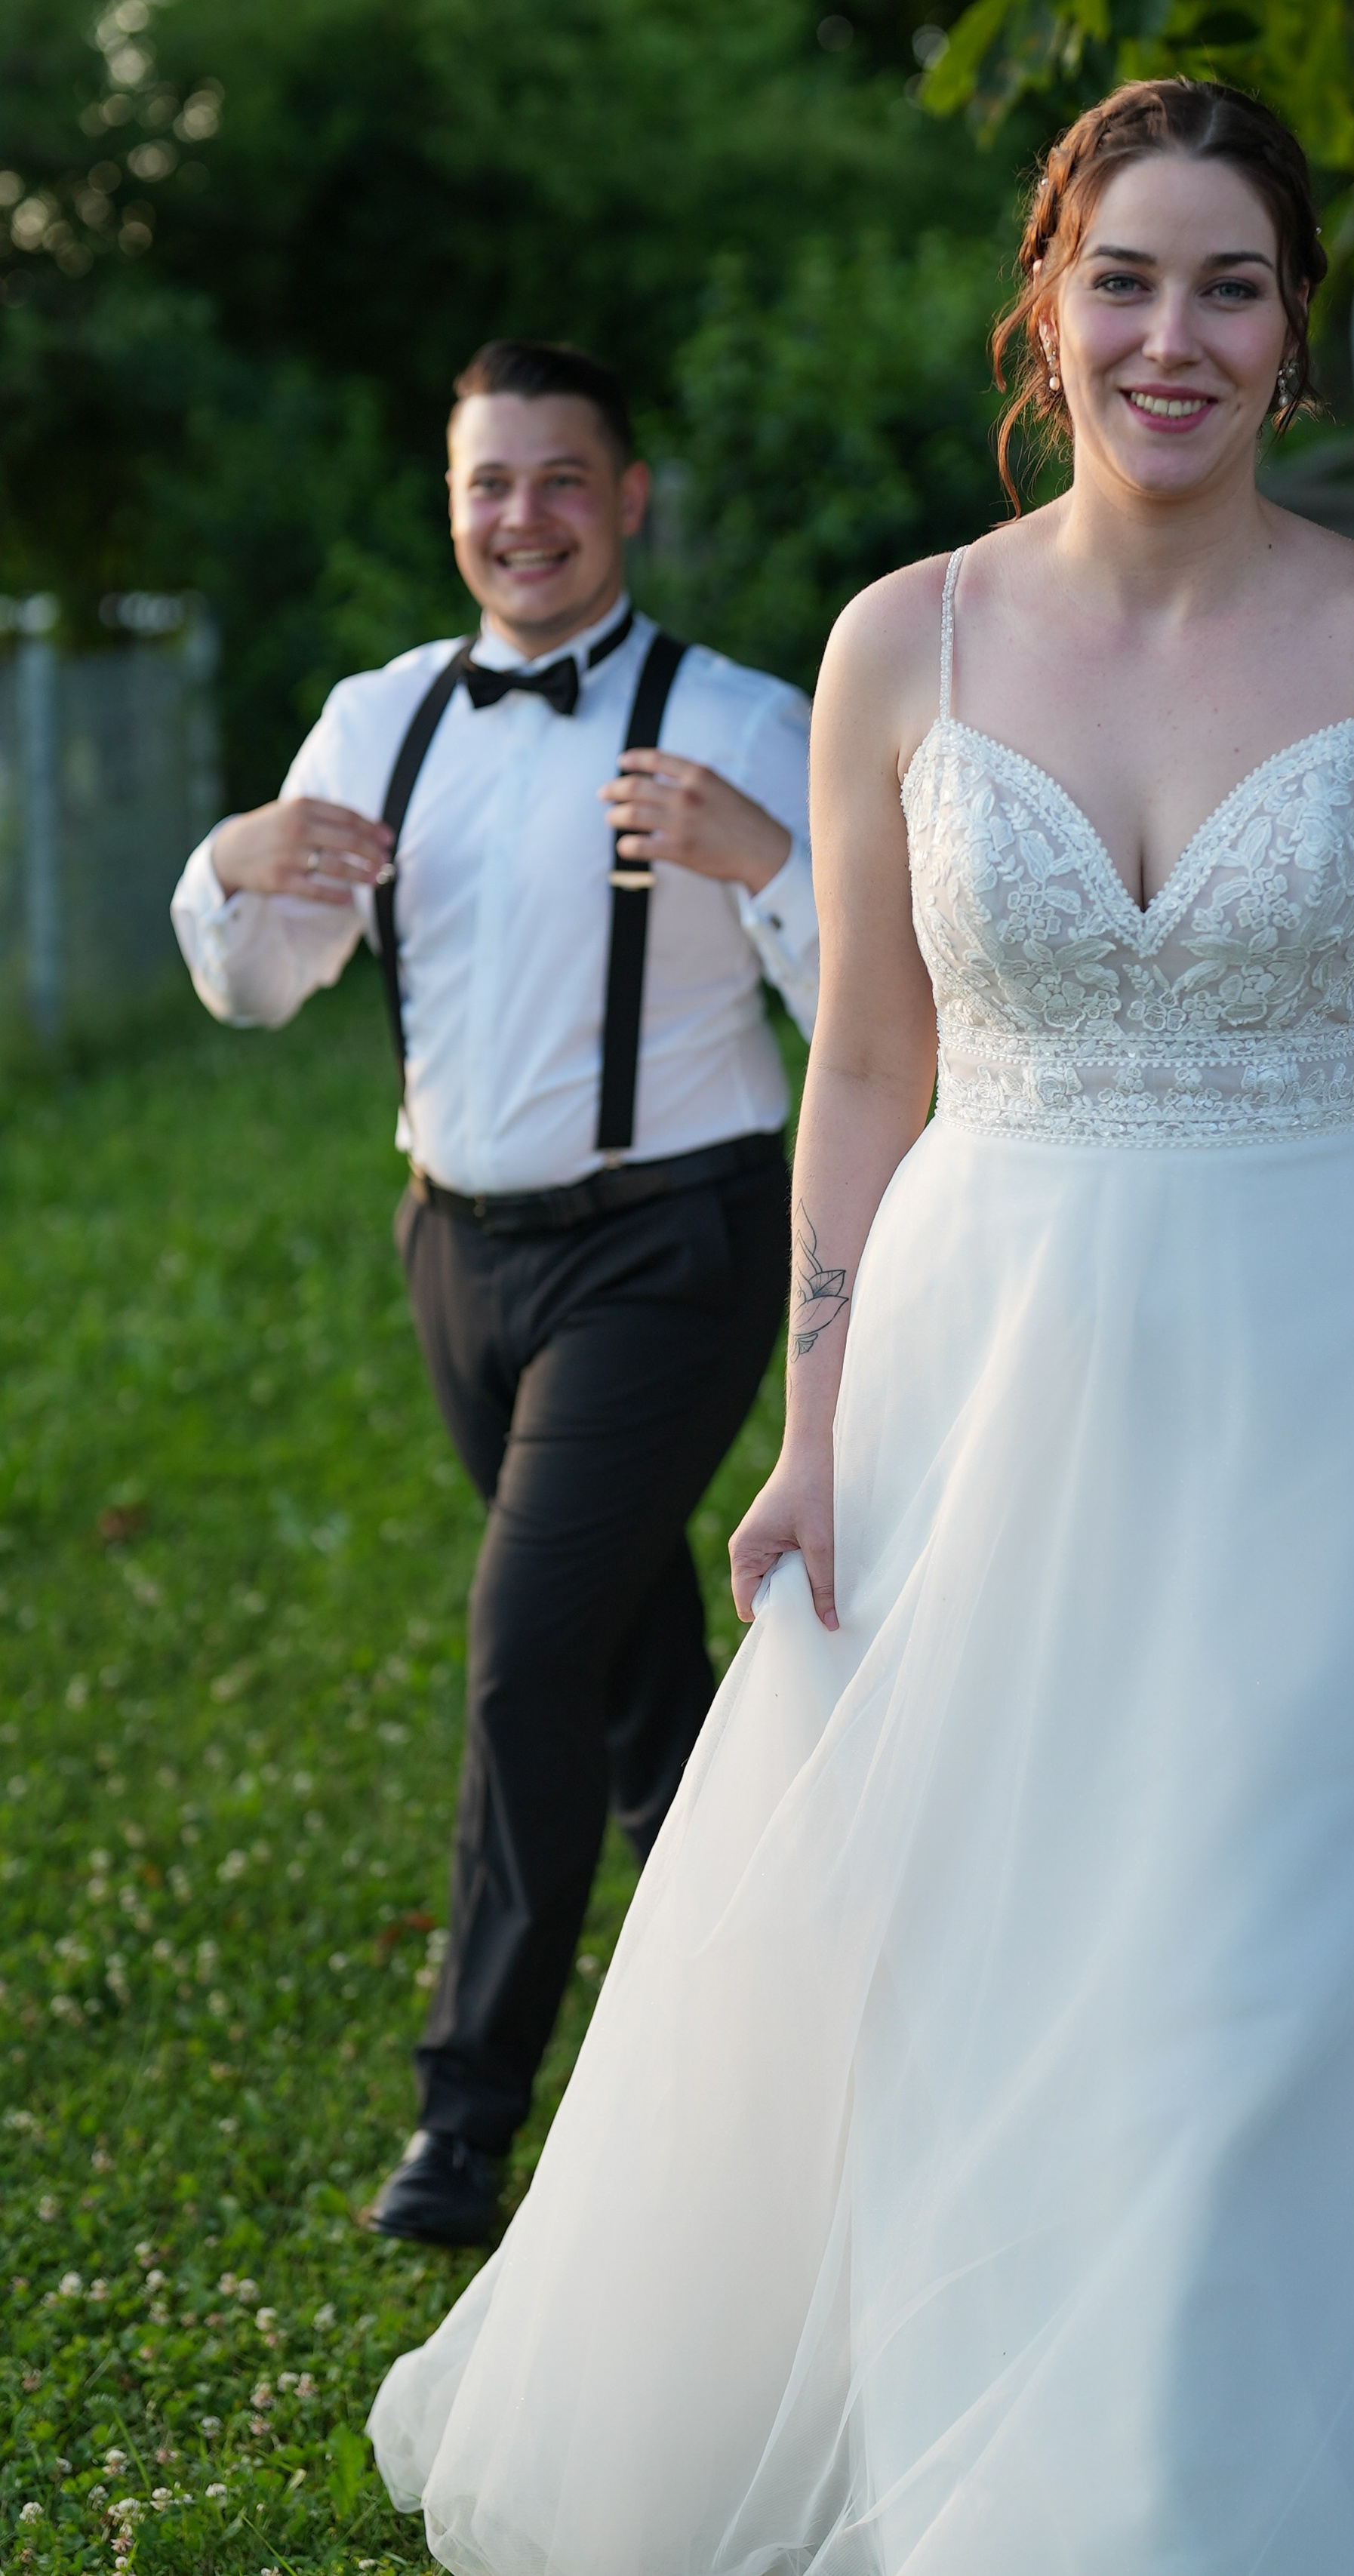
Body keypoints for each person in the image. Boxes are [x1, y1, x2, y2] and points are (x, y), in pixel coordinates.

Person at [368, 87, 1354, 2574]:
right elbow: (866, 1068)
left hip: (1328, 1356)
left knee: (1275, 1915)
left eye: (1231, 286)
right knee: (1006, 1921)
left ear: (1296, 332)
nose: (1171, 337)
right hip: (994, 1357)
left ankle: (1212, 2417)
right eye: (1127, 279)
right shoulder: (911, 641)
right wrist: (815, 1421)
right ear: (1048, 304)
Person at [171, 338, 815, 2248]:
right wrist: (232, 864)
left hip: (672, 1243)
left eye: (559, 479)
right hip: (454, 1248)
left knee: (529, 1646)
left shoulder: (748, 718)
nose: (518, 517)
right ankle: (780, 1999)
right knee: (624, 1683)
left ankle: (462, 2121)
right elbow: (260, 983)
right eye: (485, 485)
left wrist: (761, 857)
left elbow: (879, 1002)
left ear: (627, 498)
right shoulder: (379, 719)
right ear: (451, 505)